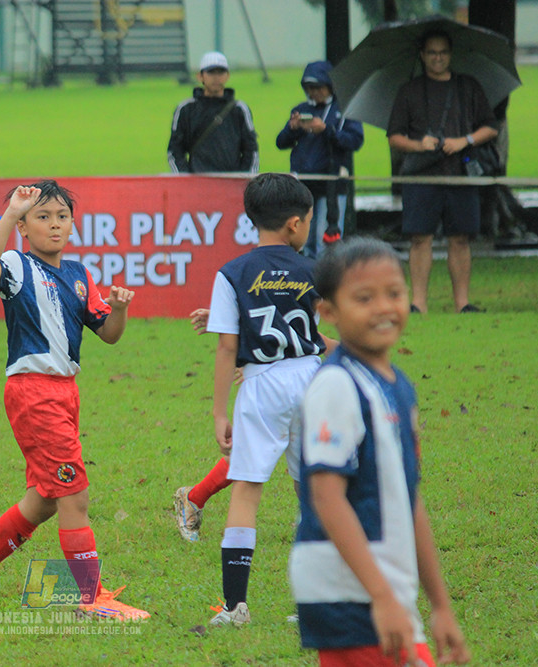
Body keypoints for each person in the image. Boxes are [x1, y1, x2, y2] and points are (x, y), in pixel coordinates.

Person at [0, 180, 149, 623]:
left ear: (72, 224)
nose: (54, 225)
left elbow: (108, 335)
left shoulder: (78, 275)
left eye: (61, 217)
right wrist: (12, 211)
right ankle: (90, 599)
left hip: (65, 392)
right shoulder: (15, 264)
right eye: (42, 217)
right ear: (24, 227)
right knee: (75, 493)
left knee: (44, 500)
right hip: (33, 392)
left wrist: (120, 309)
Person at [290, 237, 471, 666]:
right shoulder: (337, 385)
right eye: (364, 298)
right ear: (328, 313)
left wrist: (440, 605)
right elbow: (326, 497)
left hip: (383, 592)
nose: (384, 308)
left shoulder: (397, 385)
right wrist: (381, 596)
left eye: (394, 293)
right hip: (350, 593)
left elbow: (409, 498)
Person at [196, 173, 335, 627]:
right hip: (312, 379)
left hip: (260, 384)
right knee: (313, 494)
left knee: (247, 491)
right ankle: (314, 604)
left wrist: (219, 412)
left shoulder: (231, 273)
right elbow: (321, 336)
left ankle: (235, 606)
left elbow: (224, 348)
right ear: (295, 224)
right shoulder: (315, 269)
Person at [387, 29, 498, 314]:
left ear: (451, 54)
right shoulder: (408, 90)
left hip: (460, 174)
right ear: (422, 55)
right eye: (432, 52)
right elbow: (394, 137)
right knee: (420, 237)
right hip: (421, 175)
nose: (438, 58)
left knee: (460, 238)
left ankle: (462, 302)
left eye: (443, 52)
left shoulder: (468, 87)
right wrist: (419, 145)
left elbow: (490, 126)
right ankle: (418, 303)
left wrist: (465, 140)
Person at [276, 61, 364, 259]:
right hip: (304, 185)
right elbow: (280, 142)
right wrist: (293, 129)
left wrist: (327, 131)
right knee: (304, 240)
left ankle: (327, 286)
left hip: (332, 183)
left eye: (318, 87)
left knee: (325, 241)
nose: (313, 92)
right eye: (309, 88)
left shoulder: (344, 110)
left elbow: (355, 140)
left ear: (329, 86)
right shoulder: (301, 109)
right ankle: (308, 285)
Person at [168, 51, 259, 174]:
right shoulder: (186, 109)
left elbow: (251, 149)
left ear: (227, 75)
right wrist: (185, 179)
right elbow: (175, 150)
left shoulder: (239, 109)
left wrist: (244, 178)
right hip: (197, 183)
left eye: (220, 72)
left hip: (231, 182)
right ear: (200, 76)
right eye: (211, 72)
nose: (216, 77)